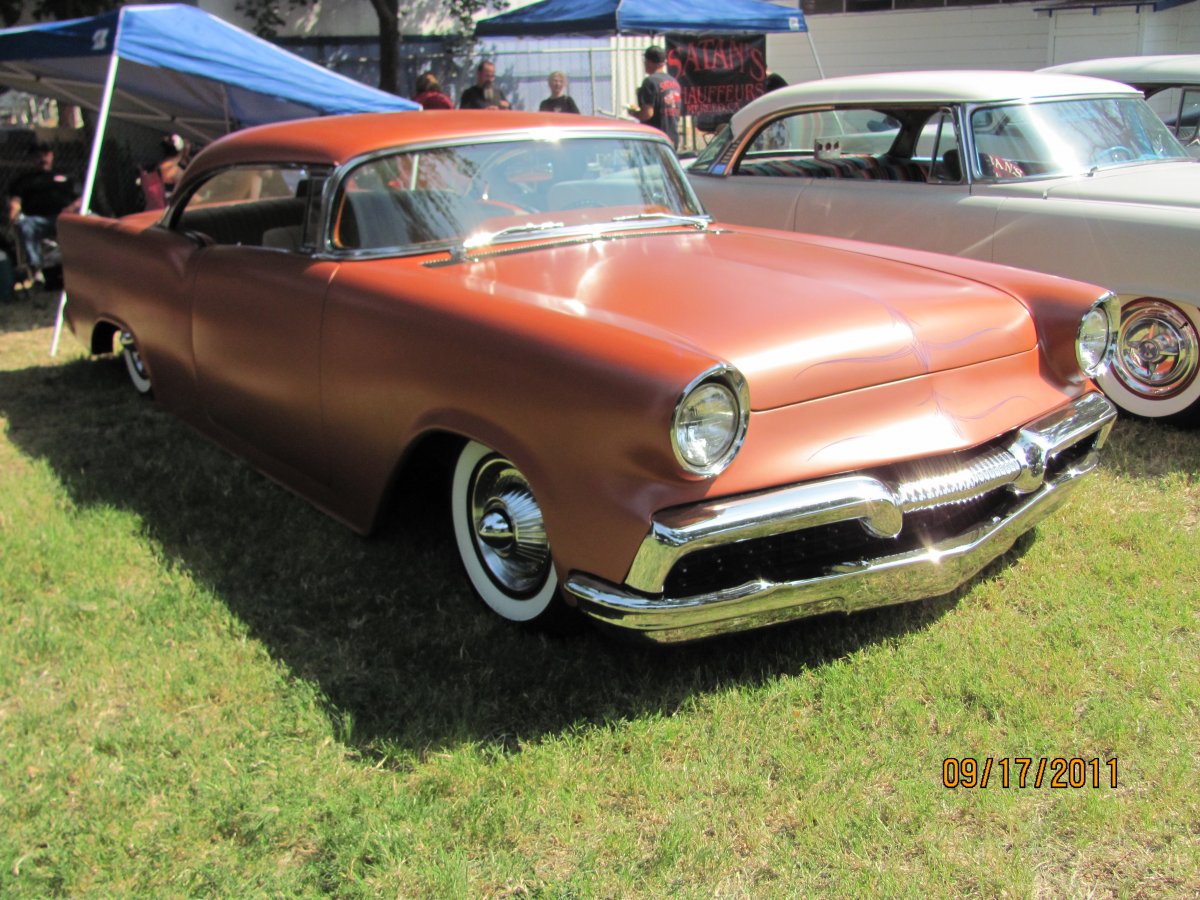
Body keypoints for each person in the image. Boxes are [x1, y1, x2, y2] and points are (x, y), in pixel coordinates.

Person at [6, 141, 79, 283]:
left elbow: (82, 197)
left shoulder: (66, 177)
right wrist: (13, 215)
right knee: (25, 225)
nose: (42, 159)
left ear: (51, 156)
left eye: (45, 154)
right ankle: (36, 268)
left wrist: (72, 208)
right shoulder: (23, 181)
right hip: (38, 220)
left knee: (96, 221)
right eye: (37, 156)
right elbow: (15, 202)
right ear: (32, 159)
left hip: (68, 218)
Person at [627, 45, 681, 149]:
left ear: (649, 62)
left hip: (655, 139)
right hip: (672, 138)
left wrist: (633, 113)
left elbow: (647, 114)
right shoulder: (674, 82)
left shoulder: (650, 82)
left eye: (645, 61)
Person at [139, 133, 190, 211]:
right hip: (165, 215)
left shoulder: (154, 168)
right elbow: (190, 194)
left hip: (150, 212)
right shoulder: (175, 171)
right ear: (180, 152)